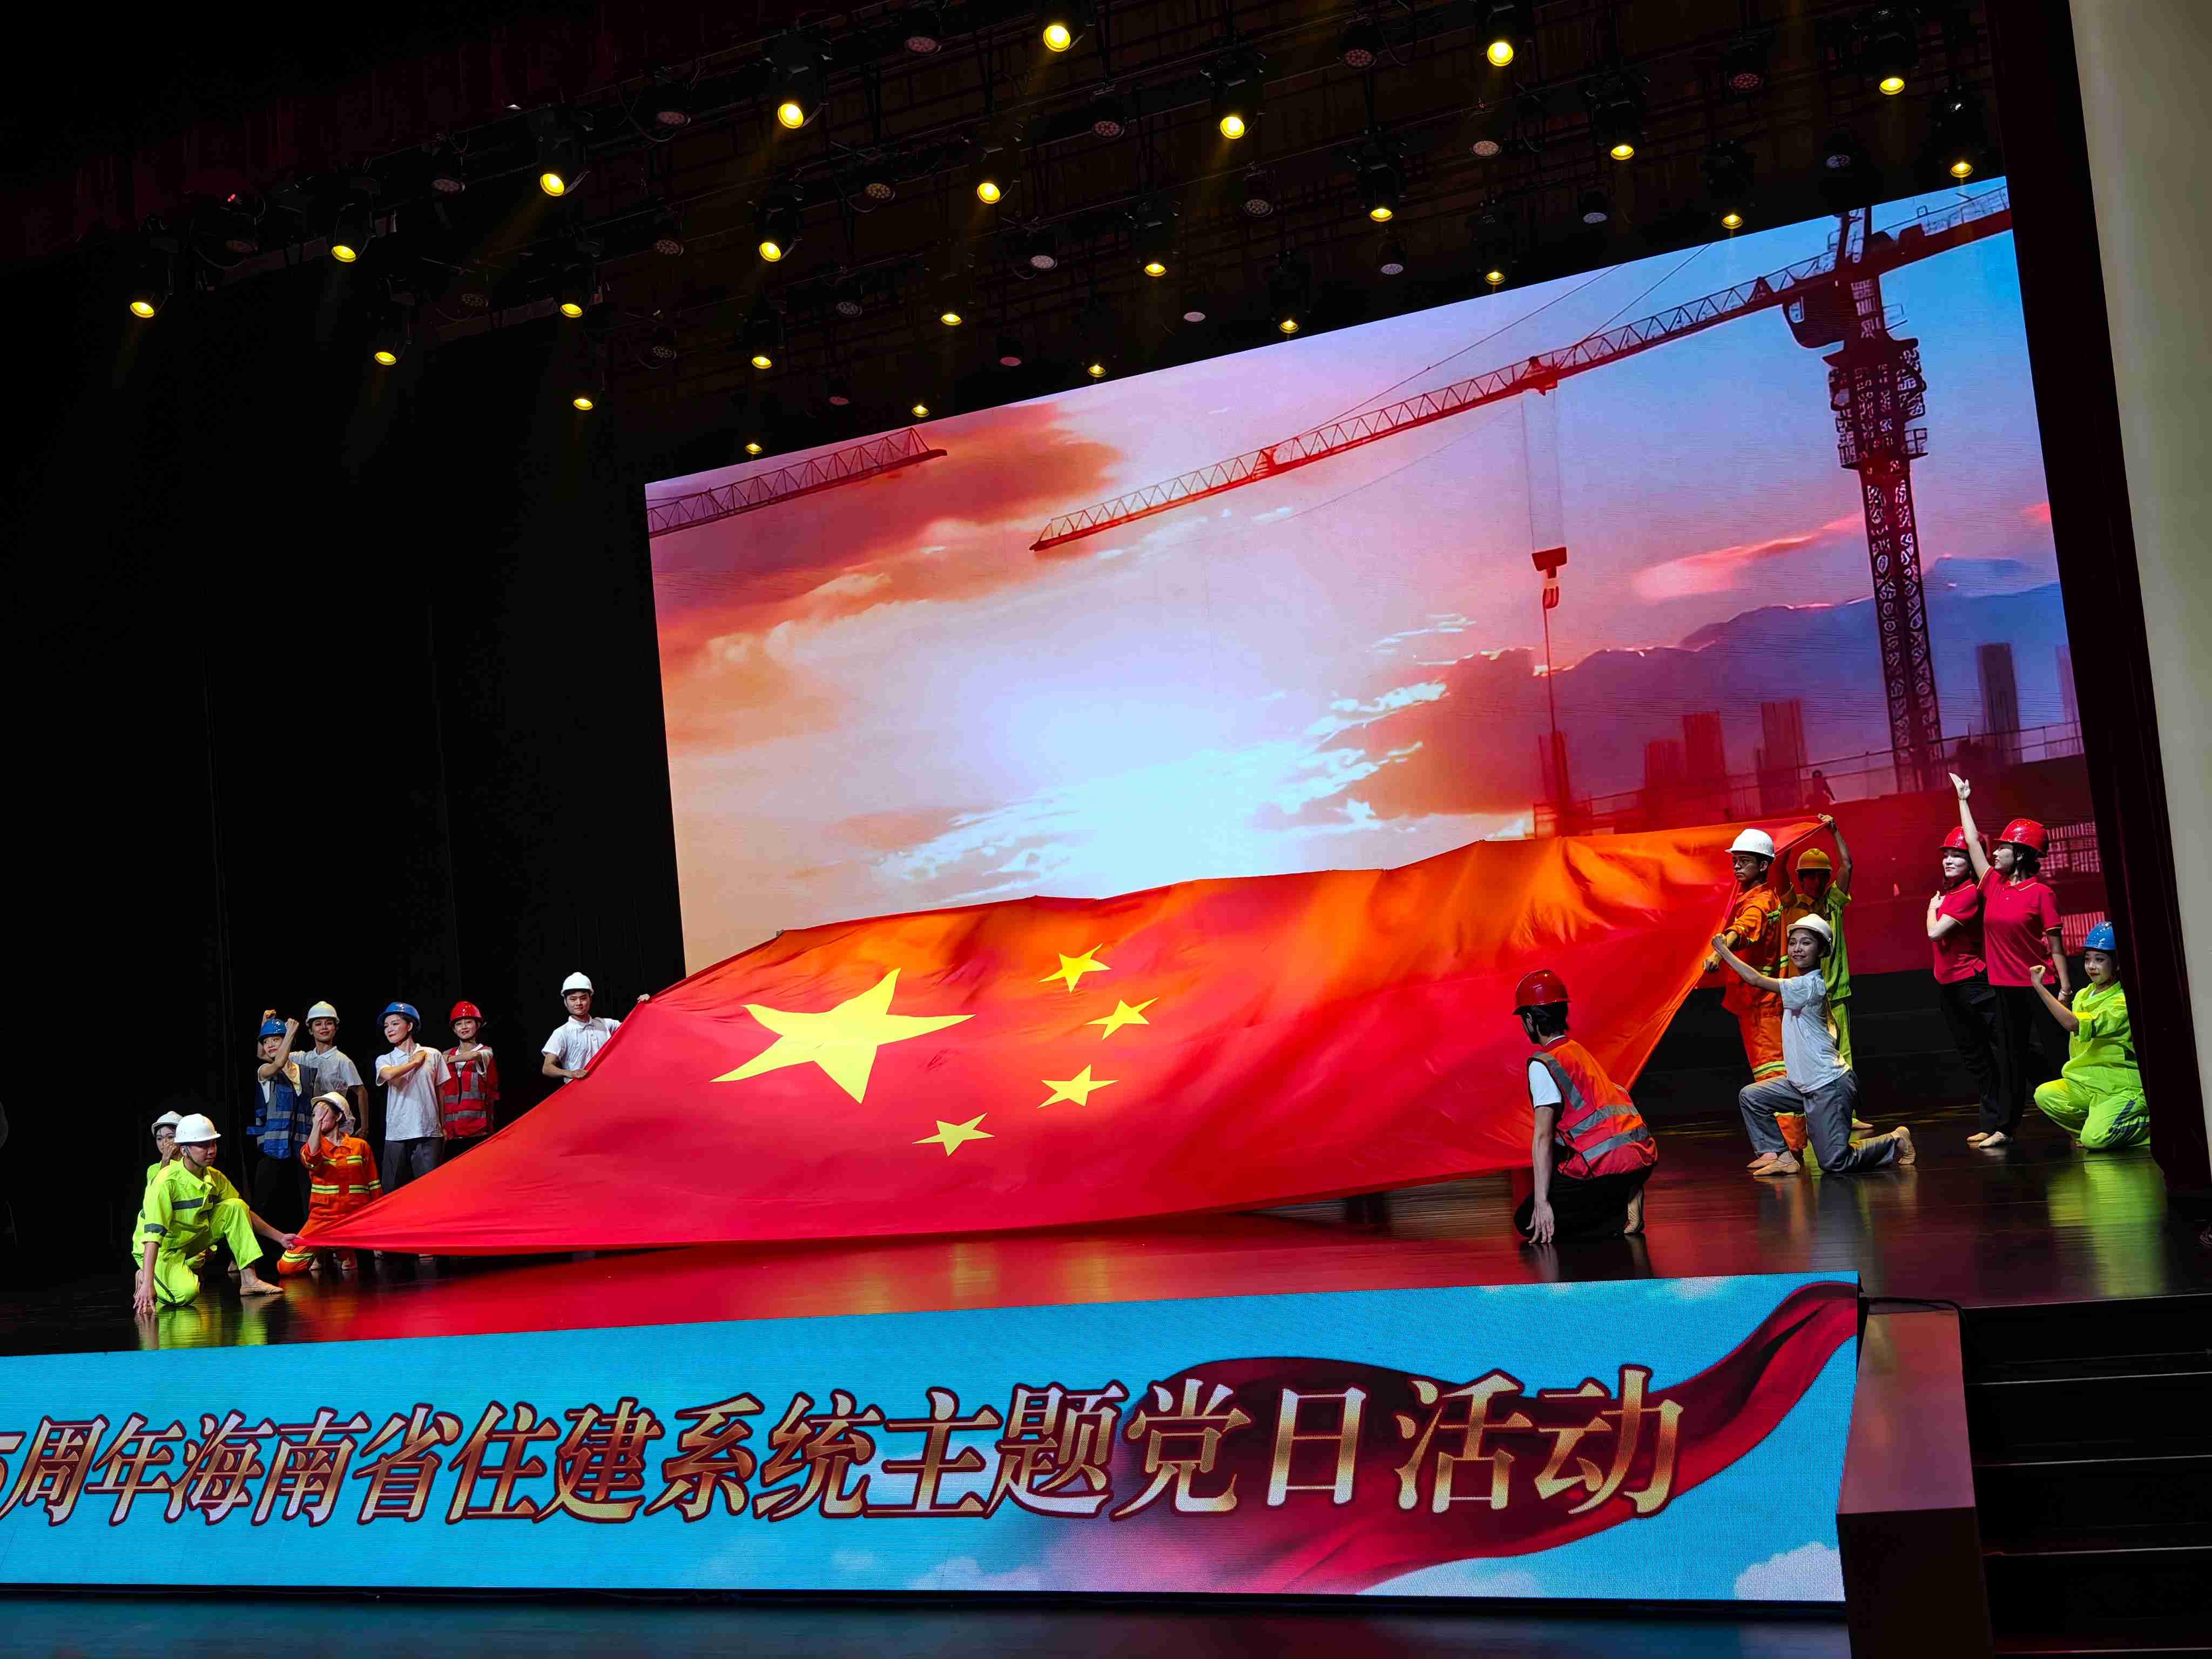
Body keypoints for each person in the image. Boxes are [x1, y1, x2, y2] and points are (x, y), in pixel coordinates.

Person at [1712, 915, 1915, 1177]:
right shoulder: (1804, 986)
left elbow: (1756, 980)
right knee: (1752, 1097)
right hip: (1801, 1085)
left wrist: (1723, 951)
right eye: (1793, 943)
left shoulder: (1807, 985)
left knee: (1834, 1162)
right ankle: (1783, 1158)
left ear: (1821, 951)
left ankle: (1895, 1140)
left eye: (1806, 943)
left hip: (1828, 1086)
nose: (1797, 948)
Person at [1952, 774, 2067, 1148]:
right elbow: (1972, 843)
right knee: (2010, 1060)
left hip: (2041, 986)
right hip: (2004, 987)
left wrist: (2065, 989)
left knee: (2060, 1056)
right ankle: (2005, 1128)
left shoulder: (2041, 893)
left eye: (2003, 847)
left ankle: (2076, 1120)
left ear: (2020, 854)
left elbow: (2056, 946)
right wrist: (1963, 801)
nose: (1995, 852)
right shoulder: (1993, 884)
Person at [1510, 969, 1657, 1243]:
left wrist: (1542, 1202)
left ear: (1530, 1020)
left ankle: (1616, 1213)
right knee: (1563, 1161)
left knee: (1527, 1220)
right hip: (1638, 1159)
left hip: (1604, 1165)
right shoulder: (1577, 1051)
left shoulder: (1545, 1063)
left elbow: (1542, 1137)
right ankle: (1624, 1192)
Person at [1704, 828, 1806, 1156]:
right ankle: (1783, 1148)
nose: (1737, 867)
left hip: (1762, 1006)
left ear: (1763, 866)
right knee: (1770, 1074)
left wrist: (1719, 953)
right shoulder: (1756, 897)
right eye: (1735, 861)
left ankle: (1788, 1148)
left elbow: (1744, 929)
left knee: (1772, 1074)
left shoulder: (1759, 902)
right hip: (1757, 1004)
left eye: (1744, 861)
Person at [132, 1114, 298, 1313]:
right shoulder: (165, 1182)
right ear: (184, 1150)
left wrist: (280, 1237)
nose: (211, 1150)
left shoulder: (214, 1177)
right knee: (185, 1294)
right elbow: (152, 1237)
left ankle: (249, 1280)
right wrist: (148, 1283)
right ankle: (144, 1275)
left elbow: (243, 1212)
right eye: (203, 1146)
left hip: (189, 1242)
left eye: (213, 1144)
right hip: (162, 1248)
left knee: (236, 1206)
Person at [2029, 923, 2148, 1151]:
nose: (2091, 966)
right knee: (2045, 1095)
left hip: (2120, 1088)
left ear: (2117, 963)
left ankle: (2156, 1125)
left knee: (2097, 1139)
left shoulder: (2122, 1001)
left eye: (2100, 960)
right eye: (2087, 960)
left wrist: (2040, 987)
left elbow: (2074, 1024)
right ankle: (2091, 1129)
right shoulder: (2084, 994)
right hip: (2086, 1083)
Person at [1926, 825, 2003, 1134]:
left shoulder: (1969, 892)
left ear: (1971, 861)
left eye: (1957, 855)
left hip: (1972, 985)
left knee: (2008, 1051)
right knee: (1976, 1058)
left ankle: (2061, 1110)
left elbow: (1935, 933)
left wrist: (1931, 909)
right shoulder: (1951, 894)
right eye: (1946, 855)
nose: (1948, 860)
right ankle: (1992, 1124)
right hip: (1950, 988)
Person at [278, 1091, 381, 1277]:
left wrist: (379, 1228)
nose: (317, 1118)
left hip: (355, 1218)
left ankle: (342, 1250)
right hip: (323, 1219)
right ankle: (325, 1249)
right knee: (286, 1267)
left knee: (359, 1263)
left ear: (339, 1116)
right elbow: (312, 1158)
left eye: (323, 1112)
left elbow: (374, 1186)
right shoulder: (313, 1146)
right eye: (314, 1115)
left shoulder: (360, 1146)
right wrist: (318, 1123)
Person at [1782, 817, 1857, 1070]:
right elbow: (1779, 869)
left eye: (1821, 876)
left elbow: (1847, 865)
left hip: (1834, 995)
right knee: (1806, 1057)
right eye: (1810, 876)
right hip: (1802, 996)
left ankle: (1845, 1099)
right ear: (1801, 879)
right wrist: (1792, 838)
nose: (1816, 882)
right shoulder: (1791, 905)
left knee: (1842, 1057)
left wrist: (1834, 832)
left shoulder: (1833, 902)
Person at [374, 1002, 449, 1196]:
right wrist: (414, 1063)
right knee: (392, 1191)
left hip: (428, 1131)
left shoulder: (433, 1054)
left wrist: (443, 1126)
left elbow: (440, 1092)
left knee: (430, 1191)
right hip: (397, 1132)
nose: (389, 1029)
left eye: (395, 1024)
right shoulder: (385, 1059)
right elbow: (388, 1075)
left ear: (409, 1026)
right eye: (386, 1026)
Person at [248, 1013, 311, 1236]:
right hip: (274, 1150)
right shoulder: (264, 1072)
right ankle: (251, 1250)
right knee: (263, 1204)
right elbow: (277, 1063)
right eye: (266, 1041)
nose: (270, 1045)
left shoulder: (304, 1072)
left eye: (276, 1039)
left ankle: (311, 1246)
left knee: (306, 1202)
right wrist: (289, 1032)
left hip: (301, 1148)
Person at [292, 1001, 367, 1138]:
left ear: (335, 1028)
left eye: (329, 1023)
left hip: (337, 1125)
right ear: (311, 1030)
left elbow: (361, 1092)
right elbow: (266, 1056)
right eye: (318, 1024)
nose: (324, 1027)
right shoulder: (304, 1058)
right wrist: (266, 1025)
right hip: (310, 1125)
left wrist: (364, 1127)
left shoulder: (342, 1061)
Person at [440, 1000, 499, 1155]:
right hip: (451, 1131)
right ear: (454, 1029)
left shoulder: (486, 1051)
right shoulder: (446, 1054)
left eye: (468, 1022)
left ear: (477, 1025)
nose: (464, 1027)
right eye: (459, 1024)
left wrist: (448, 1060)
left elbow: (475, 1056)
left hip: (478, 1129)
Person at [542, 972, 623, 1084]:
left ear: (590, 999)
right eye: (573, 999)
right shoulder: (562, 1033)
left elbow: (635, 1026)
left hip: (609, 1085)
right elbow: (547, 1068)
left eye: (583, 998)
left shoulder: (605, 1024)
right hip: (580, 1090)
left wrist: (645, 1005)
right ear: (566, 1002)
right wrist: (571, 1073)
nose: (579, 1003)